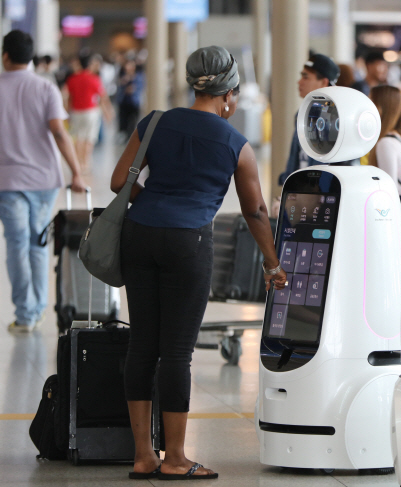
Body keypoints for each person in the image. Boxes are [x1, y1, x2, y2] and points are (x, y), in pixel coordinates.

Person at [111, 46, 287, 479]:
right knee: (175, 353)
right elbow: (256, 211)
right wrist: (272, 264)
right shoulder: (234, 143)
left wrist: (154, 204)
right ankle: (175, 459)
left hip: (139, 235)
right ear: (228, 94)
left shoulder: (154, 123)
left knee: (142, 345)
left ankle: (142, 456)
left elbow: (119, 181)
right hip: (187, 243)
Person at [0, 30, 85, 332]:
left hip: (7, 181)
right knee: (37, 242)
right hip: (44, 179)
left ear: (5, 55)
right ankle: (36, 310)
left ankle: (26, 313)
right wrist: (76, 171)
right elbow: (59, 132)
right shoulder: (45, 87)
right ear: (31, 57)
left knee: (16, 244)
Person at [278, 53, 340, 185]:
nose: (299, 81)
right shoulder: (302, 113)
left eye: (305, 77)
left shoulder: (337, 119)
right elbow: (295, 160)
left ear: (323, 82)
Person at [369, 85, 401, 237]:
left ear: (381, 107)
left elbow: (388, 187)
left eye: (371, 102)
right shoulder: (397, 137)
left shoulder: (386, 143)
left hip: (400, 205)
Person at [63, 50, 114, 170]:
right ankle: (85, 162)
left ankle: (78, 162)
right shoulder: (95, 79)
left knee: (78, 137)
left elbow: (69, 98)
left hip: (76, 112)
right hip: (91, 112)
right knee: (89, 138)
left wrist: (66, 112)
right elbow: (103, 98)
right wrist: (108, 112)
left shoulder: (72, 79)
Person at [116, 59, 144, 142]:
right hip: (123, 102)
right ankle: (123, 135)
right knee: (123, 120)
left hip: (134, 102)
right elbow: (119, 86)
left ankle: (131, 137)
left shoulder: (138, 76)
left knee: (133, 120)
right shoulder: (122, 76)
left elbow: (138, 87)